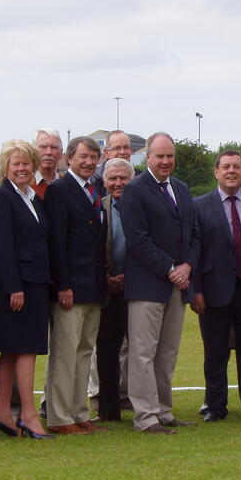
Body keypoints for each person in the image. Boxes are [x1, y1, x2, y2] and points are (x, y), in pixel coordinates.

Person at [119, 131, 200, 434]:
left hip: (178, 285)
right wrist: (170, 269)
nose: (165, 161)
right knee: (142, 353)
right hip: (147, 285)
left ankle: (164, 411)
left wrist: (187, 266)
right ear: (148, 157)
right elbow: (137, 239)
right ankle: (146, 417)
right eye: (160, 156)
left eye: (169, 156)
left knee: (167, 353)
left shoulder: (182, 188)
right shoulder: (134, 190)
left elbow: (194, 233)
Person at [191, 150, 241, 423]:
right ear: (216, 171)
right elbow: (194, 251)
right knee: (215, 353)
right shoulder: (199, 206)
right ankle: (215, 406)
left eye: (236, 166)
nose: (232, 171)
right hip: (213, 292)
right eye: (226, 167)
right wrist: (196, 291)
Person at [0, 140, 54, 439]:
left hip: (35, 284)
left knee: (16, 350)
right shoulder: (1, 198)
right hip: (15, 287)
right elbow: (1, 246)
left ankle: (3, 414)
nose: (22, 168)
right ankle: (27, 414)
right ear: (6, 167)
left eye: (27, 163)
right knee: (22, 349)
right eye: (16, 163)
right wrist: (13, 287)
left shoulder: (32, 198)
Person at [43, 137, 108, 435]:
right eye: (83, 156)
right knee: (65, 354)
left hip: (94, 286)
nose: (89, 162)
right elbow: (56, 242)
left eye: (94, 157)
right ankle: (59, 416)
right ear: (69, 158)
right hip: (70, 287)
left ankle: (79, 411)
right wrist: (62, 285)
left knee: (84, 352)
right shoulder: (59, 190)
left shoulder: (95, 189)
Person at [95, 157, 135, 421]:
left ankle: (144, 406)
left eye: (123, 178)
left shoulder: (142, 207)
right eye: (113, 178)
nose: (118, 183)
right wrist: (106, 279)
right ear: (105, 181)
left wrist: (130, 277)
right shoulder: (97, 208)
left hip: (137, 290)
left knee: (141, 353)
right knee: (107, 353)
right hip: (107, 292)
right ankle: (108, 410)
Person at [31, 129, 64, 199]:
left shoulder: (69, 185)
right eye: (43, 147)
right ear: (34, 151)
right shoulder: (24, 186)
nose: (49, 152)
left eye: (54, 147)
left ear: (61, 152)